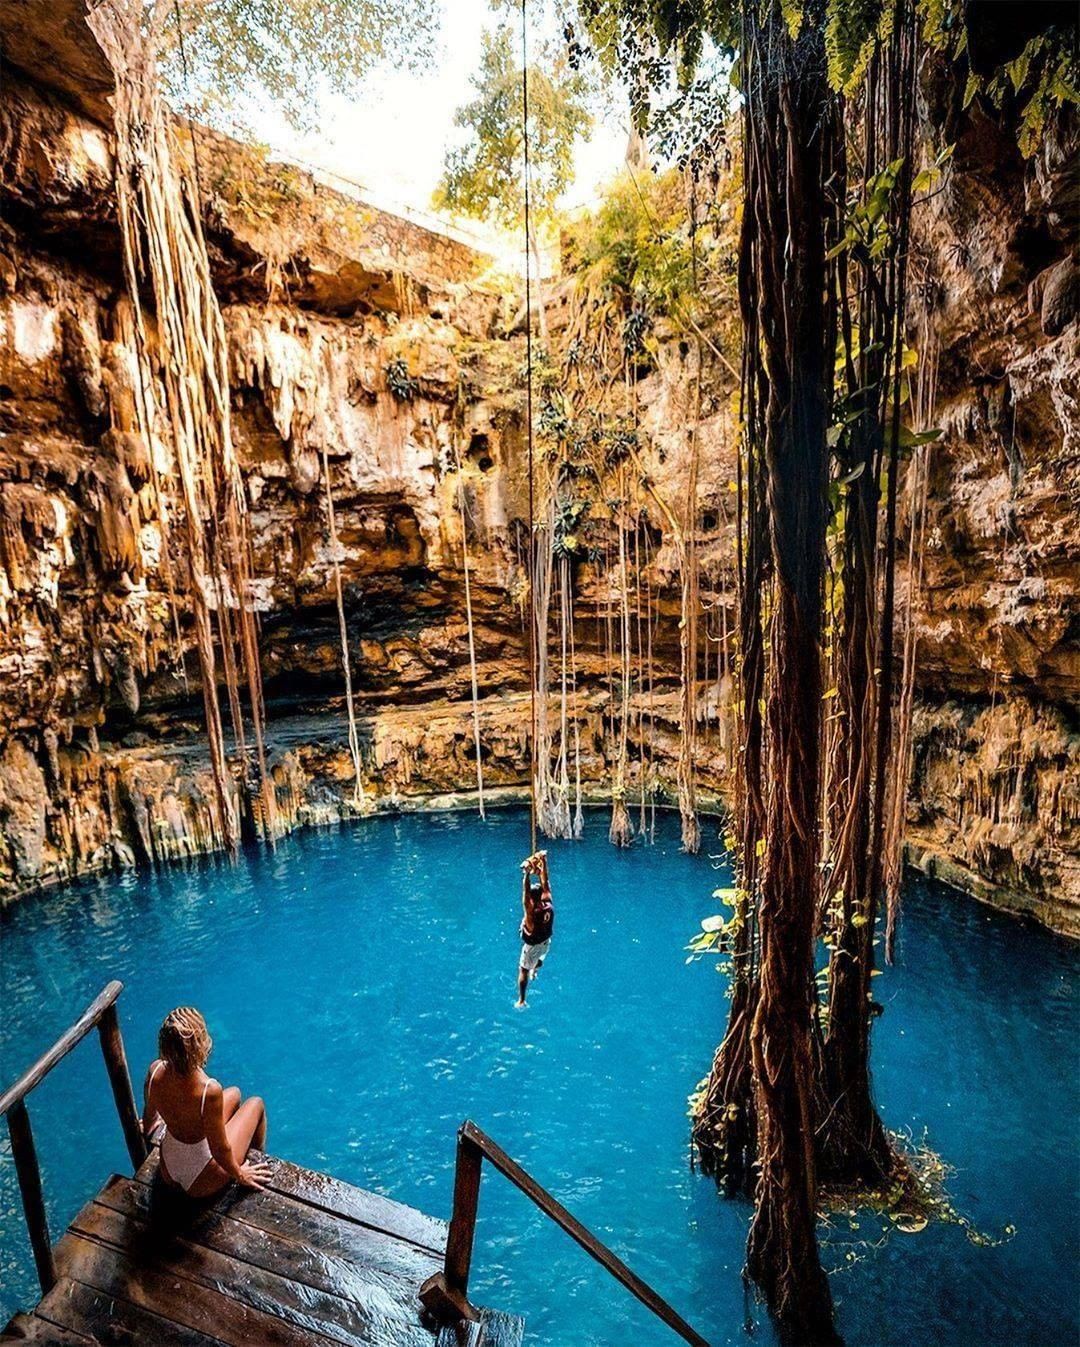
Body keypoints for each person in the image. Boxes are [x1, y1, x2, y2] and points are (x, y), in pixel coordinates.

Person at [141, 1006, 271, 1198]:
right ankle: (253, 1160)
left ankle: (241, 1152)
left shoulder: (155, 1071)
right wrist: (241, 1174)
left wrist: (149, 1127)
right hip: (200, 1179)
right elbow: (219, 1149)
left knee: (234, 1093)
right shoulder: (208, 1090)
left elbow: (150, 1117)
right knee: (255, 1103)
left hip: (168, 1168)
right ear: (199, 1044)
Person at [517, 849, 554, 1007]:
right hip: (546, 943)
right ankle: (536, 970)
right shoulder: (548, 903)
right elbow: (546, 884)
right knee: (538, 960)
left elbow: (525, 896)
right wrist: (543, 861)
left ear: (532, 900)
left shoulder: (531, 915)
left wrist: (526, 874)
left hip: (533, 946)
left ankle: (522, 1000)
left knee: (523, 970)